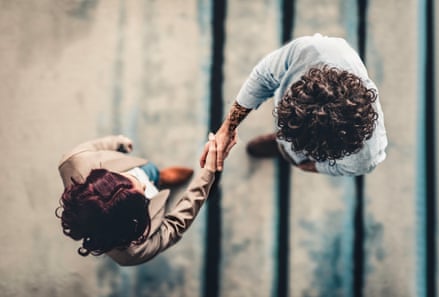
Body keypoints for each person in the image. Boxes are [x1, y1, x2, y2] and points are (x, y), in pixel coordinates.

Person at [200, 33, 387, 176]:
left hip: (316, 152)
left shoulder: (364, 159)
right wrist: (227, 128)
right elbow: (263, 77)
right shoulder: (310, 50)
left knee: (293, 155)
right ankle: (282, 146)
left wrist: (310, 166)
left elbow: (341, 168)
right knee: (289, 145)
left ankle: (284, 150)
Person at [56, 133, 231, 266]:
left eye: (125, 178)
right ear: (132, 222)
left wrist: (117, 142)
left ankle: (161, 177)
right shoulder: (133, 252)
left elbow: (93, 147)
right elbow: (175, 224)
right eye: (142, 195)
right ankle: (160, 179)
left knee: (148, 172)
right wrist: (208, 173)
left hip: (132, 178)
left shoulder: (74, 161)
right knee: (150, 180)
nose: (144, 185)